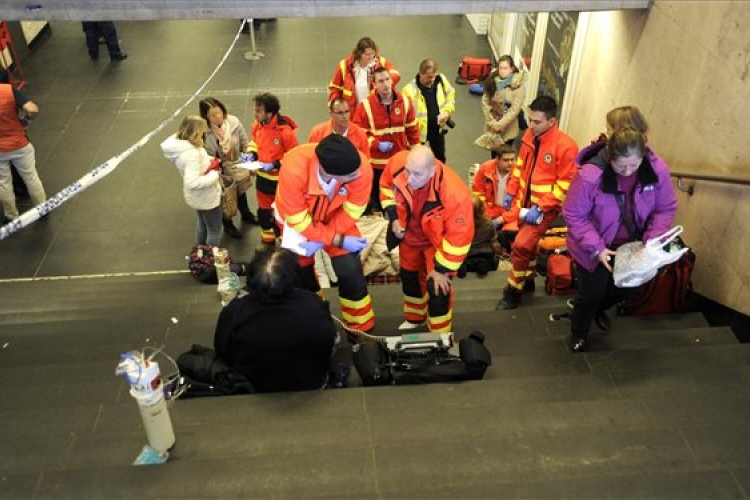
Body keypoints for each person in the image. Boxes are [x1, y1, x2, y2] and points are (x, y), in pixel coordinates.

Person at [563, 126, 677, 352]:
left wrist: (650, 241)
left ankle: (598, 309)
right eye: (620, 165)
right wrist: (597, 248)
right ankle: (579, 332)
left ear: (643, 156)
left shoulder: (657, 170)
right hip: (594, 244)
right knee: (592, 291)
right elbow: (574, 213)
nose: (627, 172)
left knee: (629, 288)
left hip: (633, 245)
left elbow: (665, 208)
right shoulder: (590, 175)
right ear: (609, 156)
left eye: (633, 165)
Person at [275, 134, 376, 334]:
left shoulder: (359, 167)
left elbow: (353, 210)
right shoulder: (294, 168)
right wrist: (335, 239)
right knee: (302, 275)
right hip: (299, 223)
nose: (358, 176)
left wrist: (329, 238)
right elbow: (298, 220)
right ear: (329, 172)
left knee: (350, 270)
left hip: (337, 219)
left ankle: (361, 328)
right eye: (351, 177)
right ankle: (316, 320)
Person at [214, 248, 337, 392]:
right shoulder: (313, 304)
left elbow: (221, 349)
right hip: (310, 381)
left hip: (253, 385)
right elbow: (329, 342)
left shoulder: (235, 310)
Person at [497, 96, 579, 310]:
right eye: (530, 119)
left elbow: (565, 185)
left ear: (552, 122)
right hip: (525, 205)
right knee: (529, 246)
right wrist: (511, 191)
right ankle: (530, 279)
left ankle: (513, 291)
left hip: (545, 209)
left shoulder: (566, 147)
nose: (530, 125)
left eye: (536, 122)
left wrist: (541, 206)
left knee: (521, 245)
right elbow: (519, 166)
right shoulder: (530, 136)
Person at [382, 145, 473, 333]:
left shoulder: (455, 194)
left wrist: (441, 270)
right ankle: (415, 318)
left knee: (438, 288)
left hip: (436, 243)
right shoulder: (399, 163)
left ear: (432, 172)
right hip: (409, 238)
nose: (409, 179)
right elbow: (386, 187)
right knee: (409, 278)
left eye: (417, 174)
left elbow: (459, 238)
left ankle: (440, 333)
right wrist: (394, 217)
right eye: (408, 171)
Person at [352, 66, 420, 212]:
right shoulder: (365, 106)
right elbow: (359, 135)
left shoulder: (405, 103)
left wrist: (417, 154)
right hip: (377, 166)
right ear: (374, 85)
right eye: (381, 81)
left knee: (401, 199)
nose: (385, 84)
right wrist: (376, 144)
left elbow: (412, 130)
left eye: (387, 79)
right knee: (378, 202)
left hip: (400, 163)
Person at [199, 97, 258, 240]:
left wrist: (249, 164)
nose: (217, 116)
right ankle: (228, 224)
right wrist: (219, 164)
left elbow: (245, 144)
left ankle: (246, 213)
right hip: (220, 169)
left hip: (237, 165)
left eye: (219, 112)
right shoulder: (203, 132)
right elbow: (205, 156)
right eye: (212, 115)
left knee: (241, 192)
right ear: (205, 116)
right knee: (226, 198)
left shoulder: (234, 122)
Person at [160, 116, 223, 246]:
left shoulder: (183, 145)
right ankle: (209, 258)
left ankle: (199, 253)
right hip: (206, 198)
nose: (204, 134)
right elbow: (193, 182)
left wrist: (210, 160)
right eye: (202, 131)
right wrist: (215, 174)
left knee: (202, 224)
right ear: (195, 131)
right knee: (214, 230)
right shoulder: (191, 154)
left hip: (197, 198)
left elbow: (198, 164)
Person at [250, 92, 299, 252]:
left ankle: (286, 242)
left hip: (280, 182)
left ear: (269, 113)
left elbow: (294, 156)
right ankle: (267, 239)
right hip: (262, 180)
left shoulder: (285, 132)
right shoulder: (257, 125)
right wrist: (251, 154)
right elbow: (254, 143)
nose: (255, 114)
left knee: (282, 214)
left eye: (258, 110)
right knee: (264, 213)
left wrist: (276, 164)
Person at [0, 74, 46, 224]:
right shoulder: (8, 90)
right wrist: (25, 121)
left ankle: (11, 215)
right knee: (31, 177)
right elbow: (32, 109)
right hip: (19, 144)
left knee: (3, 183)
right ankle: (42, 208)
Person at [400, 58, 456, 163]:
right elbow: (404, 115)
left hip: (437, 129)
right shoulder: (409, 90)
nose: (432, 80)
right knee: (416, 161)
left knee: (440, 159)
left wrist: (447, 111)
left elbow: (450, 94)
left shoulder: (441, 80)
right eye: (429, 77)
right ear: (420, 74)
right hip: (419, 133)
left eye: (434, 76)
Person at [328, 36, 400, 110]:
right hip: (353, 113)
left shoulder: (381, 63)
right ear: (359, 54)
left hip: (375, 110)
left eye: (373, 54)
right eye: (367, 54)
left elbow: (396, 74)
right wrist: (335, 108)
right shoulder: (344, 66)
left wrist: (384, 82)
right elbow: (334, 89)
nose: (371, 57)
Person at [476, 55, 527, 153]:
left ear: (511, 69)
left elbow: (514, 110)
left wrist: (499, 125)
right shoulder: (492, 80)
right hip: (492, 125)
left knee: (504, 155)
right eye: (500, 68)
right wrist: (490, 120)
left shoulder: (519, 87)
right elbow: (485, 101)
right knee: (494, 153)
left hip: (508, 129)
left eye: (505, 68)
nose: (502, 71)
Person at [457, 195, 504, 279]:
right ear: (482, 209)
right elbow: (494, 242)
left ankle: (466, 266)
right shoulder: (488, 224)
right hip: (485, 255)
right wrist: (498, 252)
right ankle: (482, 266)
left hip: (468, 256)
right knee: (492, 260)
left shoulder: (460, 225)